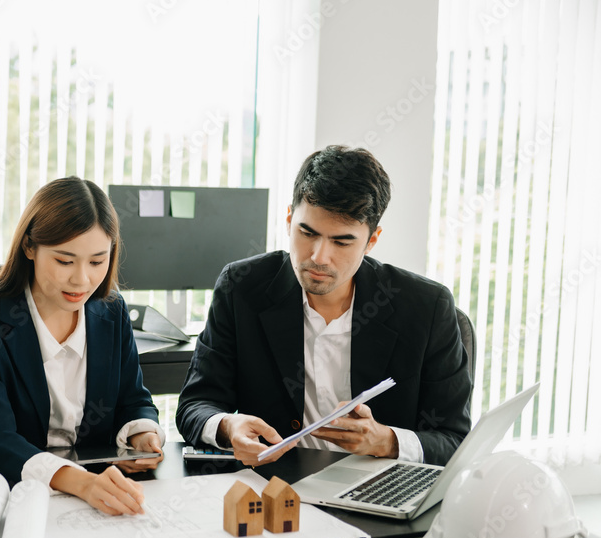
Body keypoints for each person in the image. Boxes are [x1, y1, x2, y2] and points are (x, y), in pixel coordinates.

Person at [177, 145, 472, 467]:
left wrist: (385, 440)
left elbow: (455, 439)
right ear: (289, 218)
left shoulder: (426, 307)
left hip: (378, 487)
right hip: (279, 485)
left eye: (342, 241)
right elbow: (196, 404)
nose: (319, 256)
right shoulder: (242, 287)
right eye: (307, 232)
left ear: (372, 240)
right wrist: (226, 426)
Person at [0, 176, 164, 515]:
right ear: (30, 247)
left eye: (97, 261)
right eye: (65, 261)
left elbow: (133, 399)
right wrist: (82, 483)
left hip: (91, 495)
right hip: (3, 493)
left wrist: (140, 435)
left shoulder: (111, 310)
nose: (82, 280)